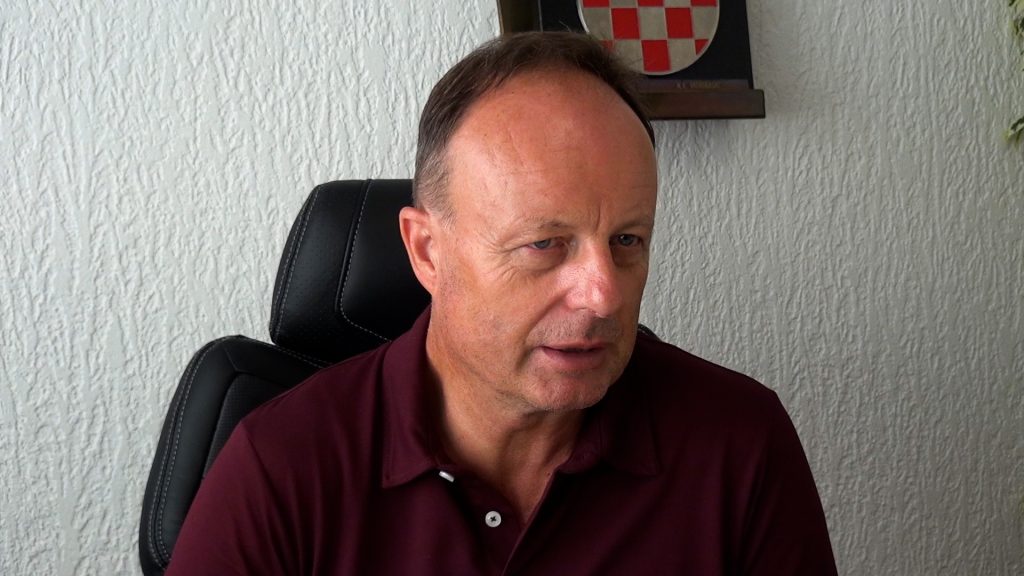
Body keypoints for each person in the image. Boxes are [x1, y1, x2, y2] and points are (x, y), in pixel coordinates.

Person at [167, 32, 837, 575]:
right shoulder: (280, 468)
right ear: (428, 251)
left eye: (627, 240)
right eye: (544, 244)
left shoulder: (738, 442)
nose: (603, 293)